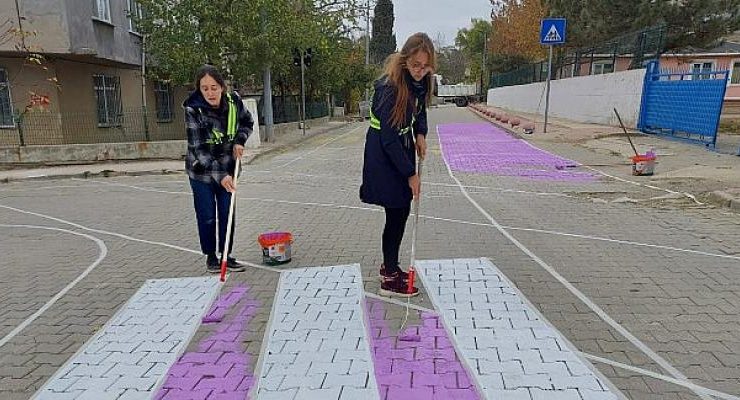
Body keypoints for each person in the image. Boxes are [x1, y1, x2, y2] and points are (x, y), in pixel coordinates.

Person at [360, 33, 436, 297]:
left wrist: (421, 134)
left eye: (426, 66)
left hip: (400, 147)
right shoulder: (389, 89)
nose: (421, 71)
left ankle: (390, 266)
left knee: (400, 211)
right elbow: (389, 139)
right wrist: (411, 174)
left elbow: (421, 111)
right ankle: (389, 279)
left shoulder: (421, 82)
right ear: (405, 61)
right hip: (384, 155)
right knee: (396, 211)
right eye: (416, 65)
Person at [184, 65, 253, 273]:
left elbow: (247, 122)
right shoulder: (192, 109)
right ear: (199, 89)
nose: (210, 93)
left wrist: (240, 141)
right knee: (207, 215)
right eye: (204, 89)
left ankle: (226, 255)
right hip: (201, 173)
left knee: (227, 213)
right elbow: (199, 149)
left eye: (214, 87)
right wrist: (220, 176)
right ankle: (211, 257)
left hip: (229, 169)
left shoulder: (234, 102)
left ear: (222, 87)